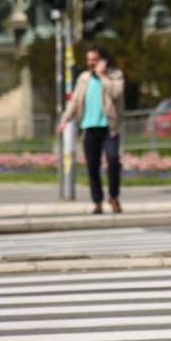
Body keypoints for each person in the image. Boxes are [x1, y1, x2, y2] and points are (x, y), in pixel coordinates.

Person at [57, 45, 125, 215]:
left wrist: (102, 77)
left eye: (94, 60)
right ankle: (97, 201)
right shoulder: (84, 78)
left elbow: (116, 94)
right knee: (92, 167)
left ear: (103, 61)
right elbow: (74, 102)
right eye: (89, 60)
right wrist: (64, 119)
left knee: (113, 160)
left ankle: (113, 196)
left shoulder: (116, 76)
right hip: (89, 127)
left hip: (109, 128)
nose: (90, 63)